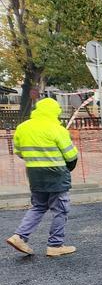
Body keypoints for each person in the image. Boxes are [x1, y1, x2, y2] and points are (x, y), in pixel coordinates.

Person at [5, 98, 79, 257]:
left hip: (34, 173)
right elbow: (71, 155)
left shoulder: (23, 127)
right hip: (56, 174)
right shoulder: (57, 129)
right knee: (61, 209)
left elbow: (19, 151)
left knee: (38, 206)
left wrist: (36, 160)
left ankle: (19, 237)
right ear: (54, 112)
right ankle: (55, 245)